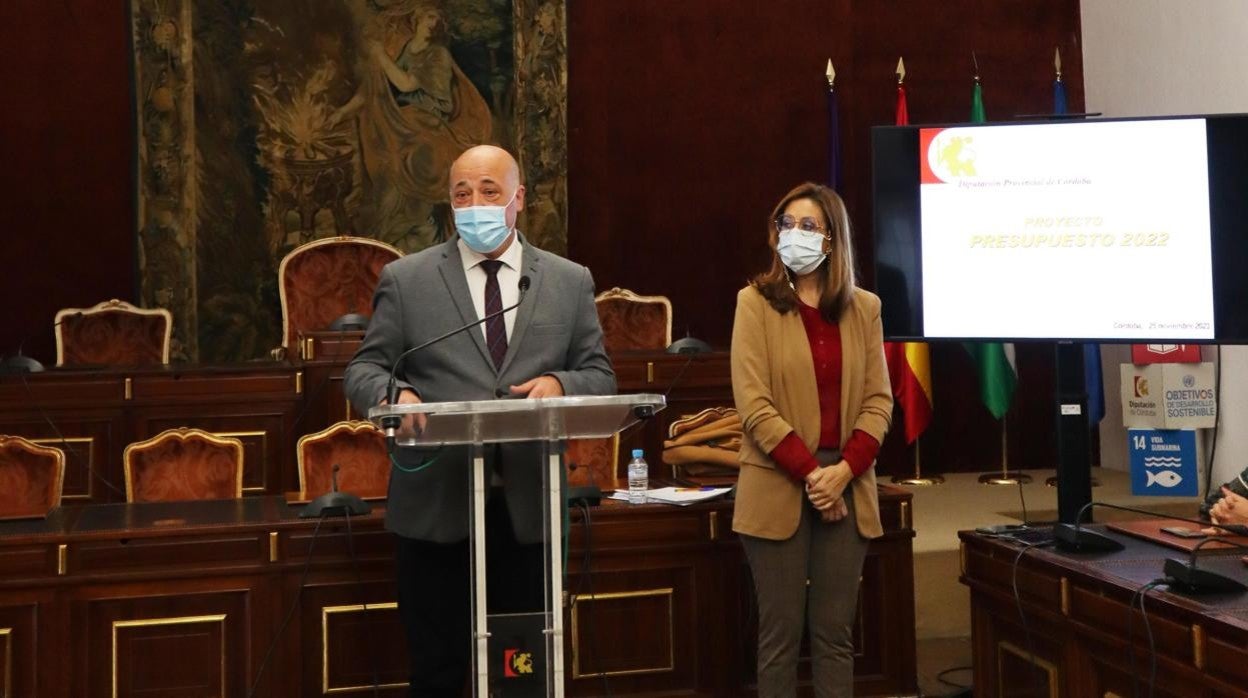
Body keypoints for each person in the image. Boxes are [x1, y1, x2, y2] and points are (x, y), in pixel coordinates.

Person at [343, 144, 616, 697]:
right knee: (438, 671)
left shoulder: (566, 281)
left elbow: (600, 375)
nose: (475, 204)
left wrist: (562, 384)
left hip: (528, 512)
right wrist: (398, 396)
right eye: (461, 194)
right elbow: (365, 368)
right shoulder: (408, 279)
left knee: (524, 673)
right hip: (436, 511)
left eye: (489, 191)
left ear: (518, 199)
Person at [730, 182, 893, 697]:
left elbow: (879, 402)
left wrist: (841, 472)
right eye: (785, 224)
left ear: (831, 240)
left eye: (808, 226)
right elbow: (755, 405)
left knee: (834, 636)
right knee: (780, 638)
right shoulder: (754, 302)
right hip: (779, 480)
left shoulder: (864, 307)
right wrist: (813, 475)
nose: (793, 235)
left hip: (847, 483)